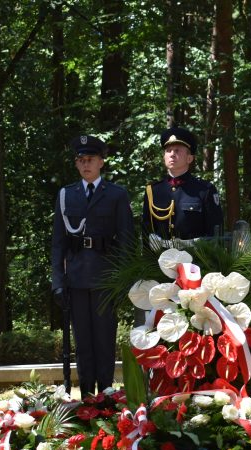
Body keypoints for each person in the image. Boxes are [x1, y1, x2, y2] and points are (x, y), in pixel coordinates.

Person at [51, 134, 135, 397]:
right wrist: (57, 280)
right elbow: (58, 242)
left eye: (91, 159)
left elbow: (126, 240)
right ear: (76, 164)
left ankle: (106, 393)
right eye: (81, 160)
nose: (85, 164)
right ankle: (87, 395)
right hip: (75, 279)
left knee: (104, 339)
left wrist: (123, 280)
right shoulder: (66, 195)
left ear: (101, 162)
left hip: (106, 278)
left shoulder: (116, 195)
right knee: (83, 341)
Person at [142, 126, 224, 245]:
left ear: (189, 158)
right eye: (168, 151)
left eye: (177, 150)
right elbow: (147, 233)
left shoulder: (204, 190)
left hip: (195, 260)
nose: (172, 154)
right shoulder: (153, 191)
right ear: (164, 157)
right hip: (159, 260)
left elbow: (215, 233)